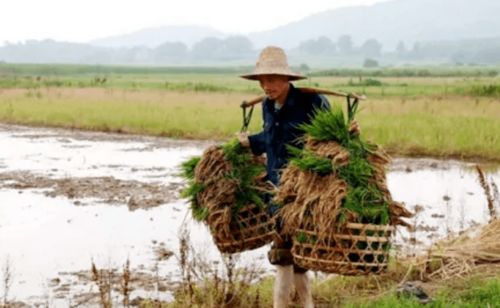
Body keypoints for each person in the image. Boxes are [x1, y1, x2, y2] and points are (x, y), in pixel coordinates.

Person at [237, 46, 330, 308]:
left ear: (287, 79)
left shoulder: (312, 103)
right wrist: (249, 142)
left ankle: (306, 305)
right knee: (281, 256)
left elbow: (331, 139)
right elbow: (270, 140)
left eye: (273, 79)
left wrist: (349, 132)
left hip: (306, 191)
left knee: (301, 258)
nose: (267, 86)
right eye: (263, 80)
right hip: (277, 192)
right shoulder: (267, 106)